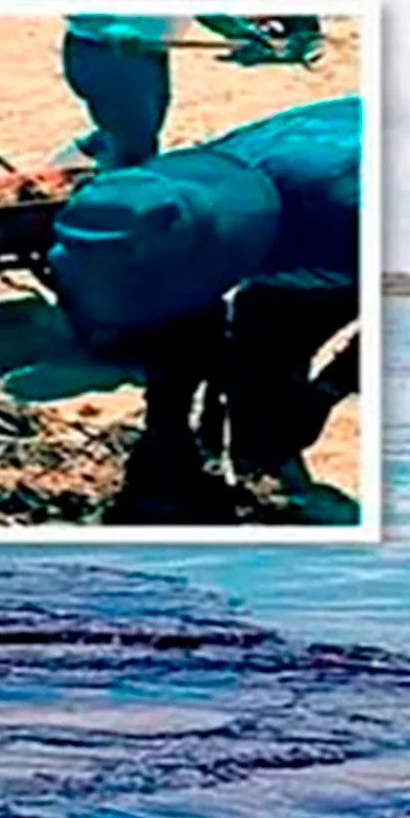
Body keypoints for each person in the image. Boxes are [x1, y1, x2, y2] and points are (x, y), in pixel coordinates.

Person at [47, 96, 360, 522]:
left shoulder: (353, 215)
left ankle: (269, 470)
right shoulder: (173, 199)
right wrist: (165, 418)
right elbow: (177, 319)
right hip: (306, 212)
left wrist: (328, 391)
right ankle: (259, 460)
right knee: (260, 366)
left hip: (353, 224)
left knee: (287, 368)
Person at [54, 15, 326, 170]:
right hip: (102, 50)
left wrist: (231, 28)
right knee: (135, 146)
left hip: (149, 52)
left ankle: (55, 172)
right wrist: (103, 24)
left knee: (135, 130)